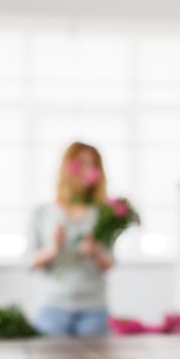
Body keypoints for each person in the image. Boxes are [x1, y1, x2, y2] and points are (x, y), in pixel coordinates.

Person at [27, 141, 114, 337]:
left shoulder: (104, 214)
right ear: (68, 167)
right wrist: (52, 249)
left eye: (94, 165)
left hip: (94, 309)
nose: (88, 170)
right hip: (53, 308)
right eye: (81, 163)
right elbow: (28, 261)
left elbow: (110, 261)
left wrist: (95, 253)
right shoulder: (42, 213)